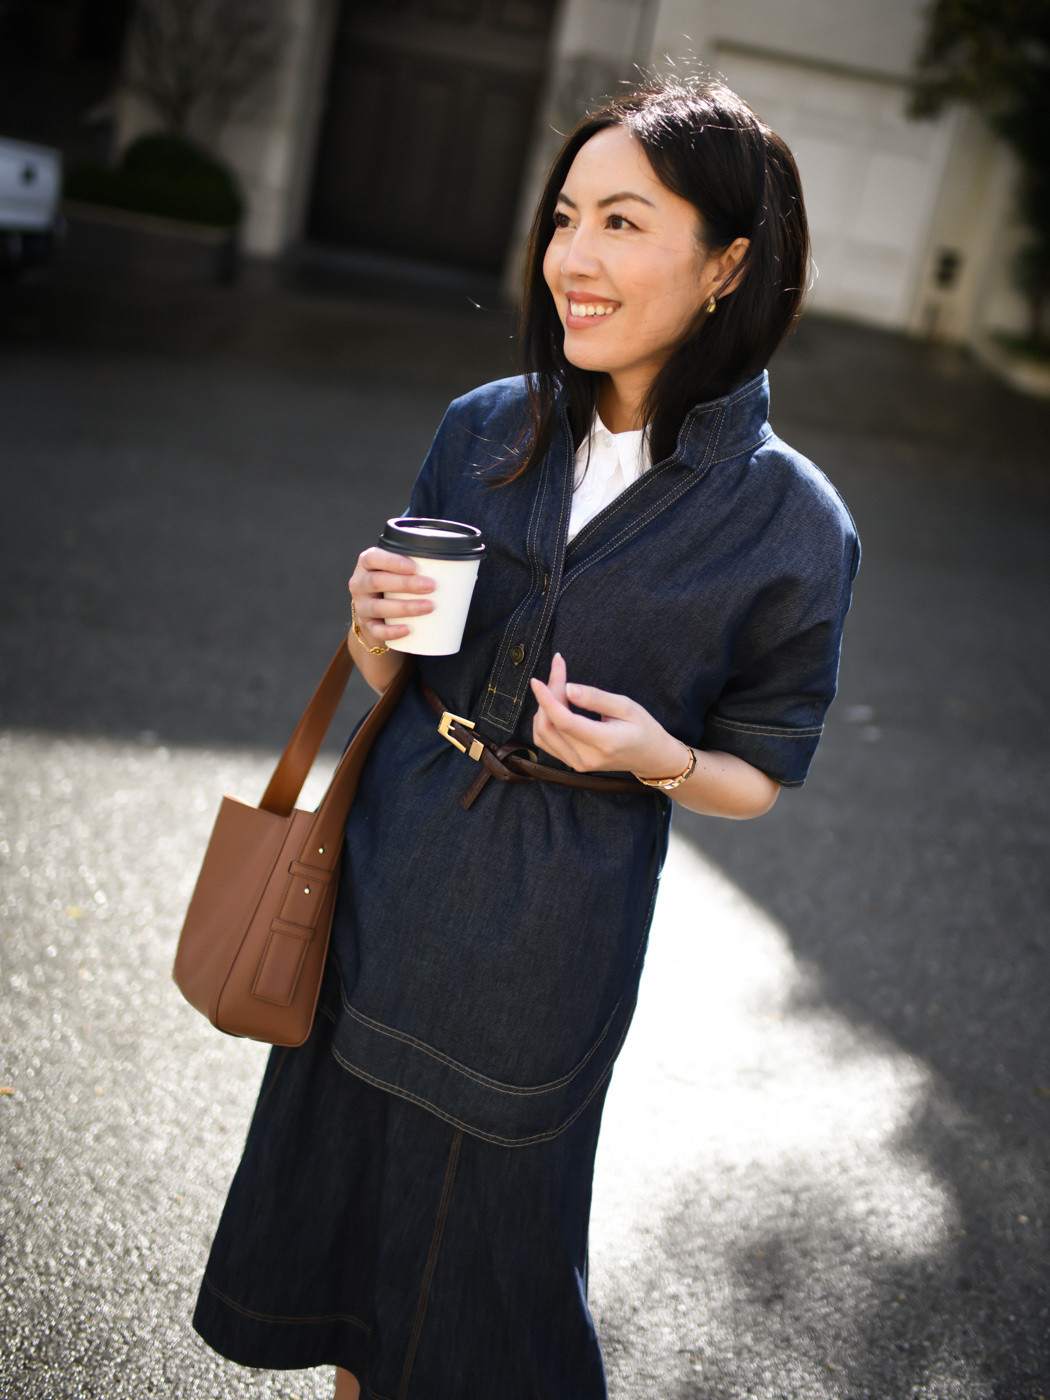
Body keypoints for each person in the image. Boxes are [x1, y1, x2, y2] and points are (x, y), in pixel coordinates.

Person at [191, 76, 859, 1400]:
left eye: (622, 222)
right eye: (564, 218)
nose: (573, 259)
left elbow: (759, 772)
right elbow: (396, 667)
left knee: (477, 1295)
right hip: (383, 883)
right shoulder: (487, 425)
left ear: (727, 263)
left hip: (544, 941)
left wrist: (653, 758)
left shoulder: (792, 525)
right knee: (347, 1275)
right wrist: (375, 626)